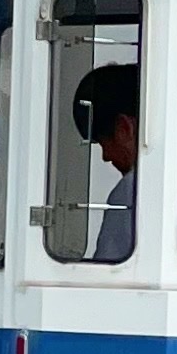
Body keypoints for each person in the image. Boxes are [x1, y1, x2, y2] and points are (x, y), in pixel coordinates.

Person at [74, 63, 142, 262]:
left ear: (124, 129)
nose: (105, 157)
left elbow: (108, 275)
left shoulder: (132, 192)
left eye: (104, 143)